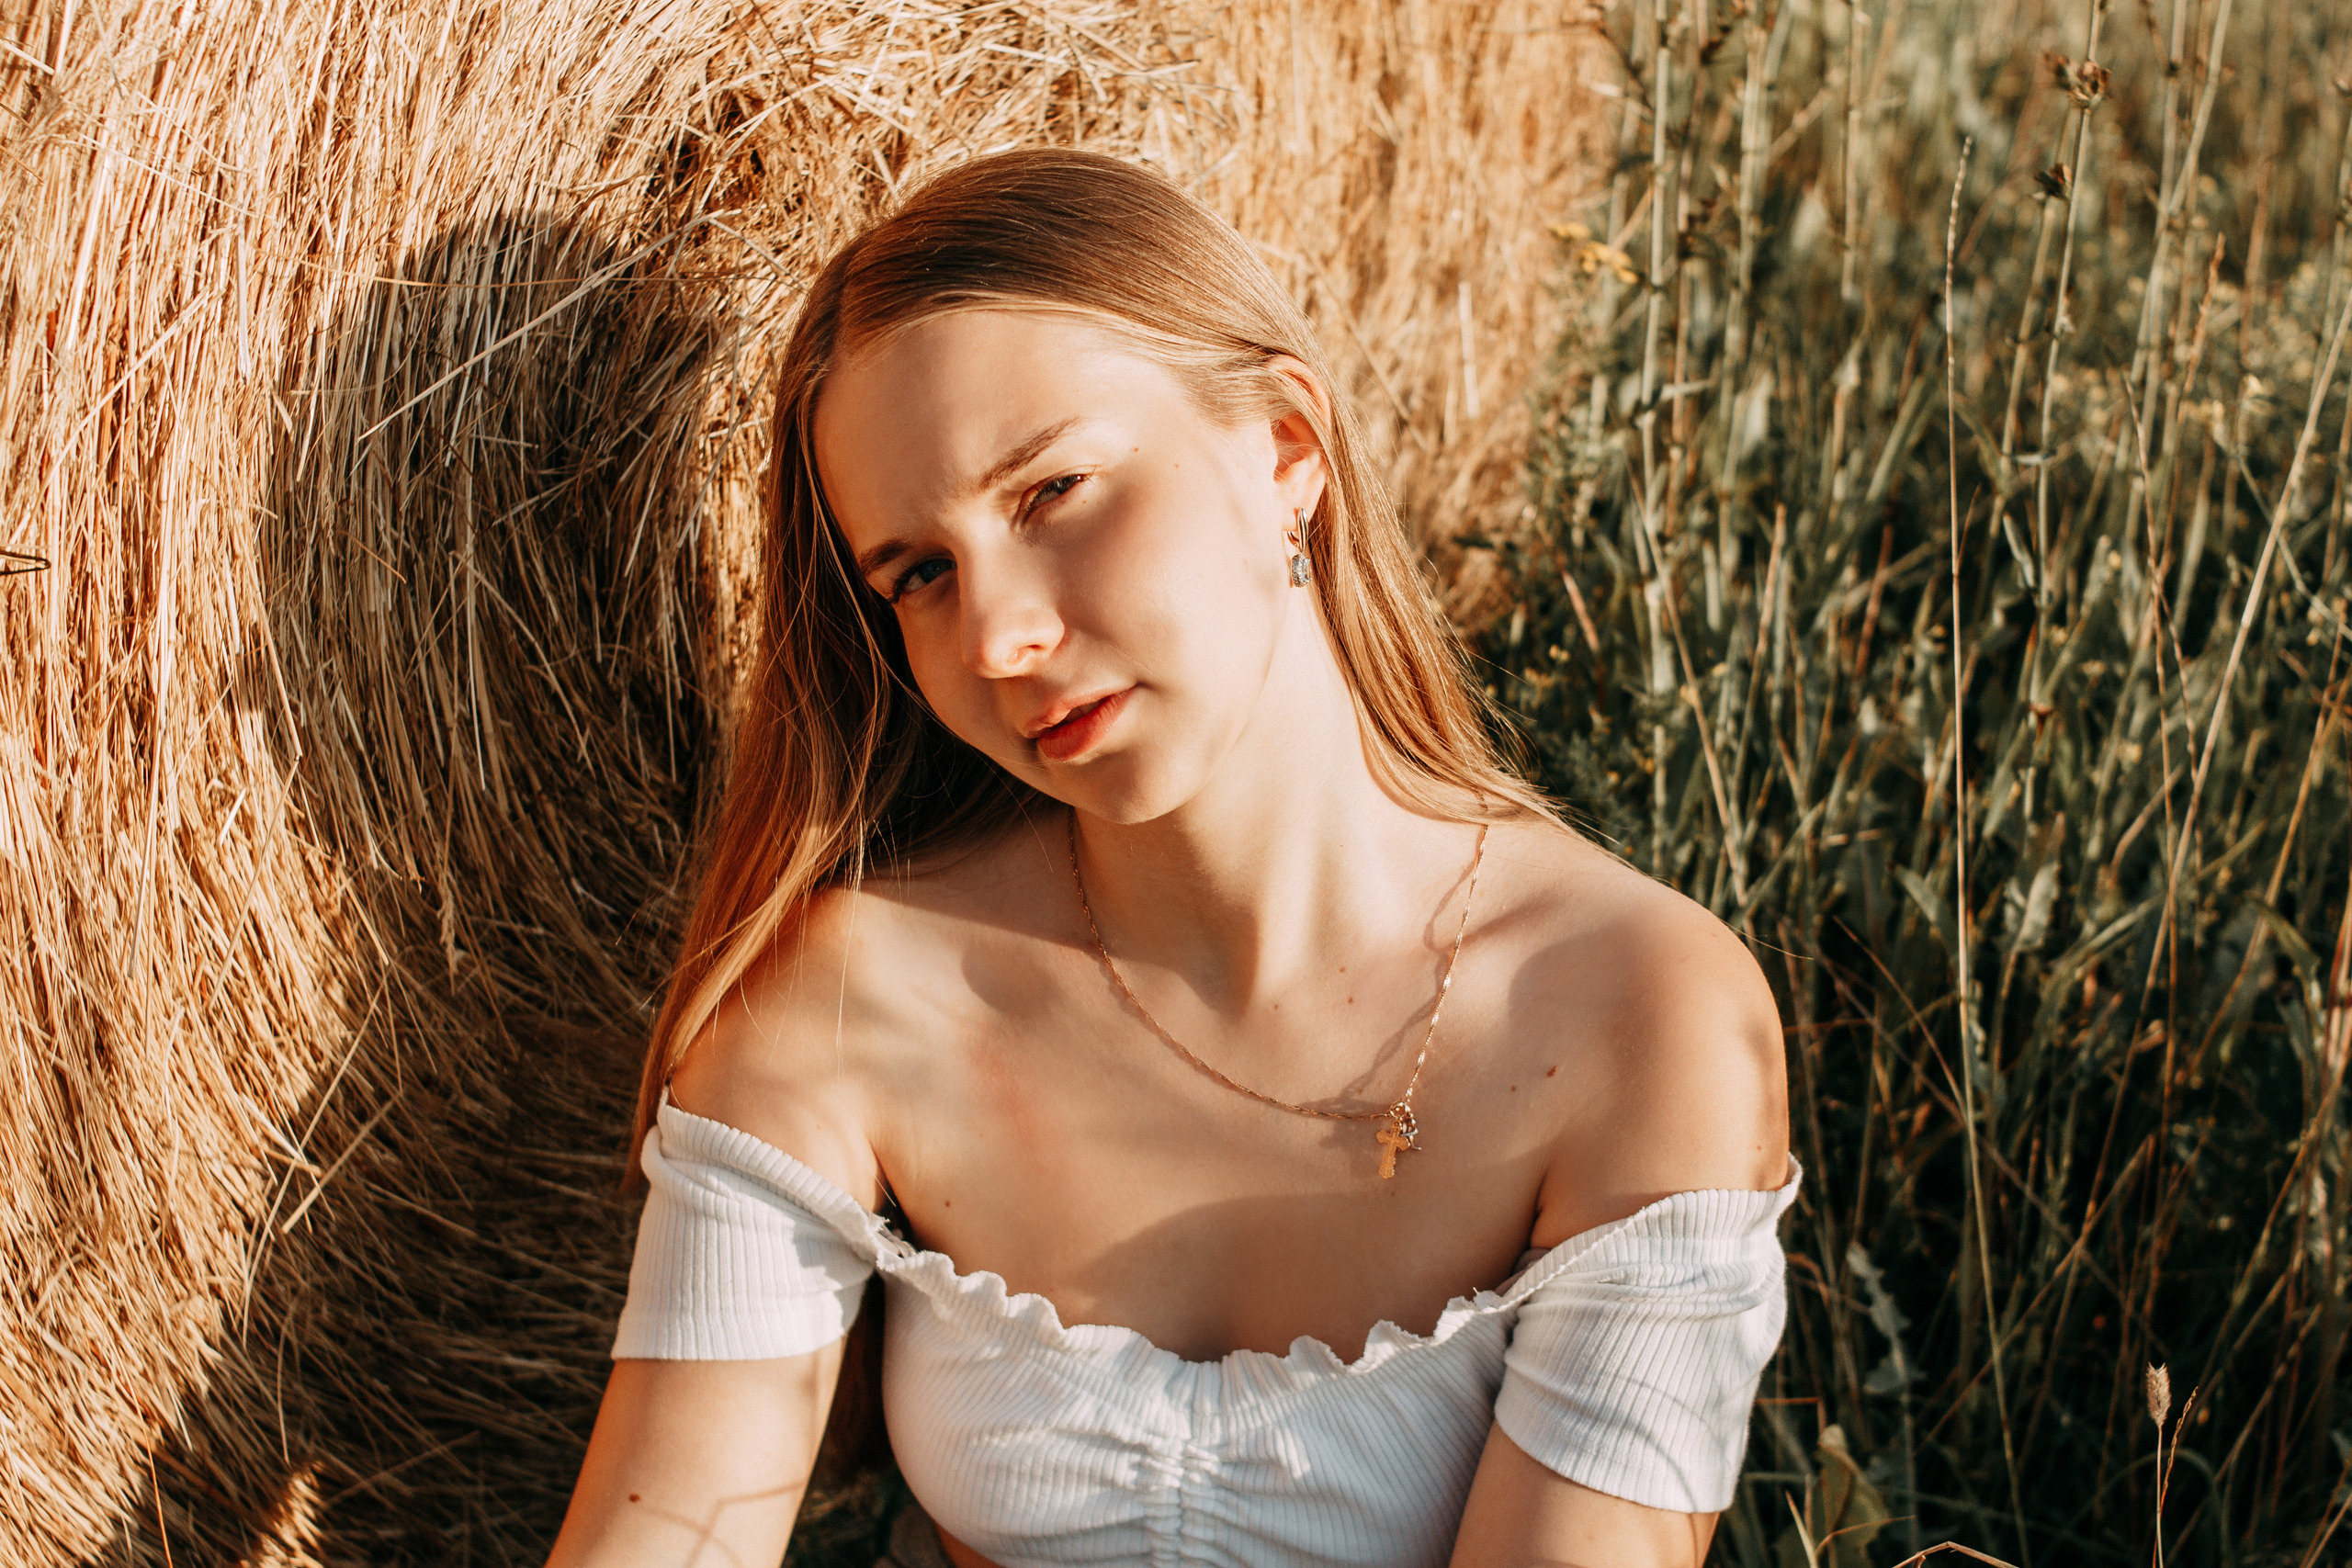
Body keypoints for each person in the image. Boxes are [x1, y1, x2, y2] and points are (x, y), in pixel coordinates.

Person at [545, 149, 1792, 1568]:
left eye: (1054, 490)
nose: (998, 639)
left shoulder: (1638, 1013)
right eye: (919, 575)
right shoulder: (847, 1001)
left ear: (1285, 450)